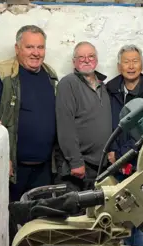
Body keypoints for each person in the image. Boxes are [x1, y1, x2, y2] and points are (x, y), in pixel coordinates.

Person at [0, 25, 59, 203]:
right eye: (29, 47)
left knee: (40, 222)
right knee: (10, 221)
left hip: (44, 168)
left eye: (40, 47)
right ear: (17, 49)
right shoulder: (1, 74)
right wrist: (3, 158)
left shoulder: (50, 75)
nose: (36, 53)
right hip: (13, 169)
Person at [106, 44, 143, 246]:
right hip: (115, 167)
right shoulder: (109, 90)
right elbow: (108, 124)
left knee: (141, 218)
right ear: (119, 66)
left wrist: (121, 153)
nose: (131, 66)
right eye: (126, 62)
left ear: (142, 65)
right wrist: (113, 154)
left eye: (135, 61)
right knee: (118, 220)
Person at [54, 41, 112, 192]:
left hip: (99, 166)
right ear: (74, 62)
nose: (87, 60)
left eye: (91, 56)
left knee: (93, 212)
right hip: (79, 166)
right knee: (73, 211)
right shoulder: (68, 84)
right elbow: (65, 125)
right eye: (81, 57)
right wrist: (75, 161)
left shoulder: (103, 86)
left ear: (97, 60)